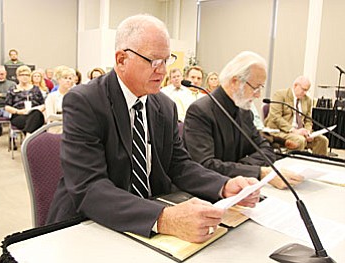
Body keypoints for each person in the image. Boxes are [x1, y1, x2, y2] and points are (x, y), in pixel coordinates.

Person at [47, 14, 260, 244]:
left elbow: (179, 165)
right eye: (154, 61)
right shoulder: (84, 102)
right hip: (88, 223)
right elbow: (89, 187)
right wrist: (164, 218)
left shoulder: (164, 106)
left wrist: (223, 185)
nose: (164, 70)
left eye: (167, 60)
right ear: (121, 59)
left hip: (147, 217)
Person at [183, 51, 304, 190]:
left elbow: (265, 149)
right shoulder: (200, 111)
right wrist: (258, 172)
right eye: (255, 87)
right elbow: (204, 166)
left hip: (242, 188)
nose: (258, 95)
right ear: (235, 82)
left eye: (261, 88)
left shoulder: (244, 111)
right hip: (210, 193)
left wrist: (241, 168)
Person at [264, 76, 329, 155]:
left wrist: (308, 132)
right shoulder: (280, 95)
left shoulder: (307, 100)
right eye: (304, 89)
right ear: (295, 86)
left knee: (323, 140)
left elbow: (308, 120)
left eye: (307, 90)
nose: (305, 93)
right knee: (300, 140)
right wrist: (294, 130)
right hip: (281, 131)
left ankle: (318, 165)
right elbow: (275, 117)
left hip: (300, 133)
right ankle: (294, 164)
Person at [4, 65, 45, 139]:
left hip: (34, 114)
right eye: (22, 75)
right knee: (33, 123)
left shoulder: (36, 89)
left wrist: (36, 109)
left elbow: (43, 104)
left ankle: (27, 137)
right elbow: (7, 107)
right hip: (19, 115)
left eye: (27, 75)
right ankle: (30, 139)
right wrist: (19, 111)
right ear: (18, 77)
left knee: (36, 115)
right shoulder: (12, 89)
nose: (24, 77)